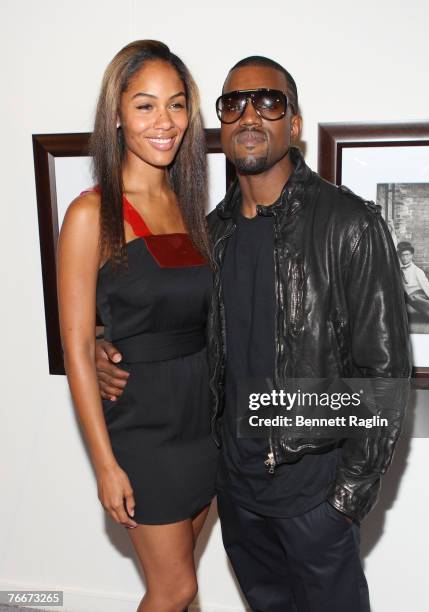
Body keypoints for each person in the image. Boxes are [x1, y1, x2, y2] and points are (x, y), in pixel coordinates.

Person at [97, 56, 411, 611]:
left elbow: (385, 374)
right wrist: (104, 344)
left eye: (269, 102)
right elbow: (164, 319)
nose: (249, 115)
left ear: (293, 124)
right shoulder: (207, 234)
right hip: (237, 494)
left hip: (314, 498)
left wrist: (344, 498)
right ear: (219, 125)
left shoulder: (349, 223)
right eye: (233, 104)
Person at [57, 40, 219, 612]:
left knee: (179, 584)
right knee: (175, 589)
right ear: (118, 115)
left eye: (177, 105)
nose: (165, 122)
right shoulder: (89, 214)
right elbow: (77, 345)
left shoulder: (189, 206)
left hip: (205, 422)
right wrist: (105, 466)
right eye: (146, 105)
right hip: (144, 431)